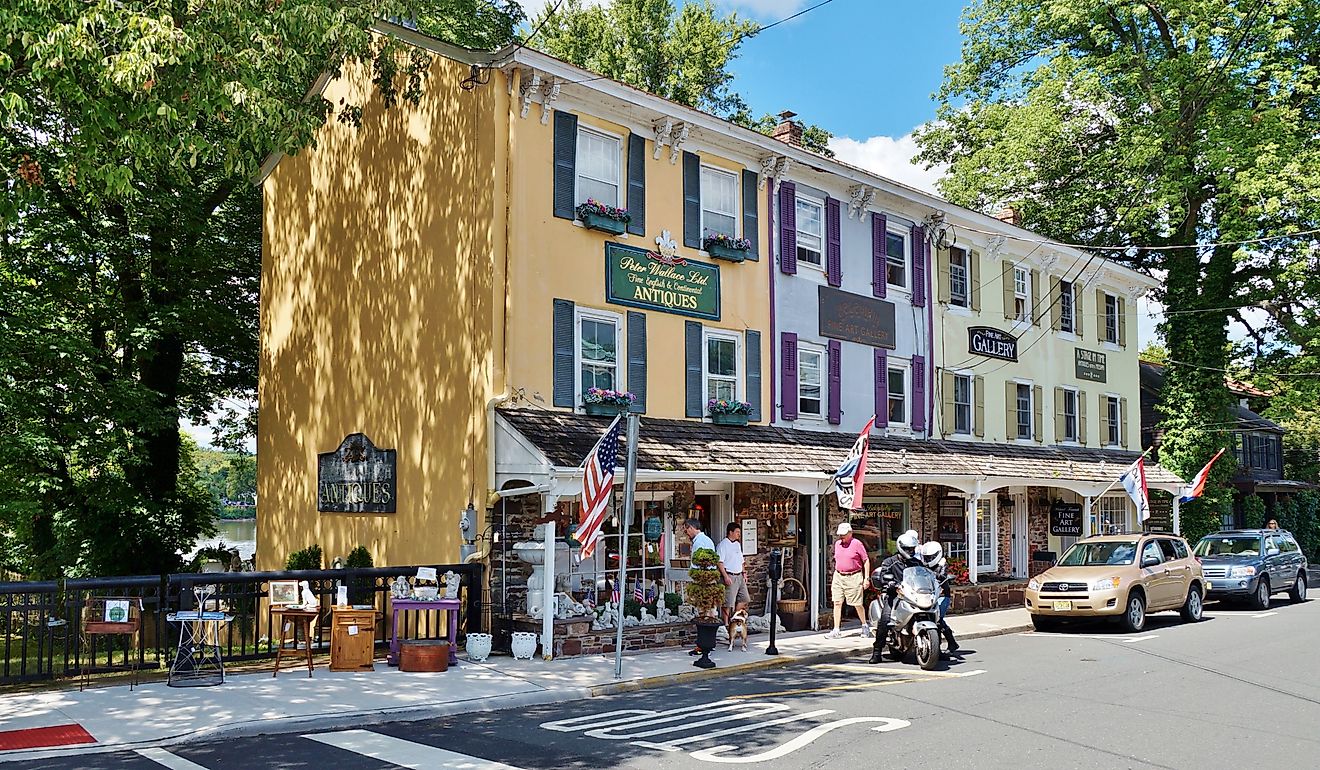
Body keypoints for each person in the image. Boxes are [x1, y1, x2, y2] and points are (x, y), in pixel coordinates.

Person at [869, 530, 921, 664]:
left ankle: (936, 648)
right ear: (901, 548)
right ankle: (877, 652)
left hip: (912, 595)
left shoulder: (916, 563)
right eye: (908, 549)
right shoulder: (890, 562)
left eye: (912, 549)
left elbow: (924, 574)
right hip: (894, 595)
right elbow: (884, 574)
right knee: (885, 619)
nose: (911, 551)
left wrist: (935, 579)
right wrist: (890, 582)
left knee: (936, 617)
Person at [827, 522, 872, 639]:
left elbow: (866, 560)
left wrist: (866, 578)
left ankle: (864, 625)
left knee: (857, 603)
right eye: (840, 534)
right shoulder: (837, 544)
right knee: (837, 602)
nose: (841, 537)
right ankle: (836, 629)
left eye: (844, 534)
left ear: (850, 533)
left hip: (854, 576)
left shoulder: (857, 544)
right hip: (839, 575)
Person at [684, 518, 717, 655]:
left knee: (704, 613)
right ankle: (708, 643)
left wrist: (696, 577)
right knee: (709, 612)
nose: (686, 532)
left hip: (703, 581)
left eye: (686, 529)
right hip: (709, 579)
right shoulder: (707, 540)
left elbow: (700, 563)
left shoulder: (700, 542)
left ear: (691, 528)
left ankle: (704, 647)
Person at [919, 541, 959, 653]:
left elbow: (942, 576)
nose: (928, 560)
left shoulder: (942, 564)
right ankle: (951, 643)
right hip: (927, 594)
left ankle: (942, 645)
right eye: (926, 557)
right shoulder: (922, 565)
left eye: (931, 557)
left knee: (938, 619)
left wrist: (932, 574)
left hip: (941, 595)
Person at [716, 522, 749, 625]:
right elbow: (719, 562)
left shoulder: (737, 544)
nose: (739, 534)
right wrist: (725, 576)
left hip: (739, 575)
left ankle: (734, 618)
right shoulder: (723, 545)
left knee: (744, 598)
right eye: (737, 532)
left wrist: (744, 573)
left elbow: (741, 560)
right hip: (730, 575)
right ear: (731, 532)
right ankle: (726, 624)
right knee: (728, 602)